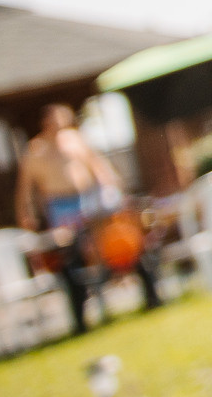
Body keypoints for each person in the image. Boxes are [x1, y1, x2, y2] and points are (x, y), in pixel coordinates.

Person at [15, 104, 161, 333]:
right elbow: (25, 188)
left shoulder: (76, 140)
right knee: (71, 255)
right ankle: (81, 316)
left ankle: (145, 292)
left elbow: (98, 166)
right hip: (60, 205)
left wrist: (114, 190)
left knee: (118, 243)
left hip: (87, 200)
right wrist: (26, 213)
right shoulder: (36, 150)